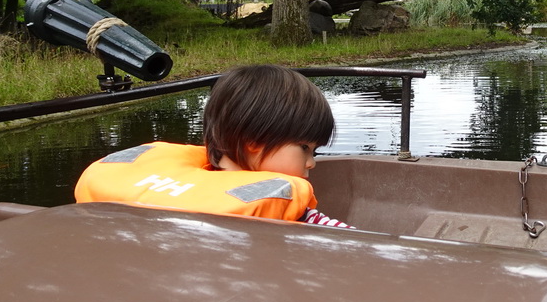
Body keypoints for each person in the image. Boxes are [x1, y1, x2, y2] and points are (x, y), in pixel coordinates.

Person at [74, 64, 352, 227]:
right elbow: (351, 242)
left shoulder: (127, 200)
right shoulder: (296, 211)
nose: (311, 163)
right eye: (305, 148)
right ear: (255, 141)